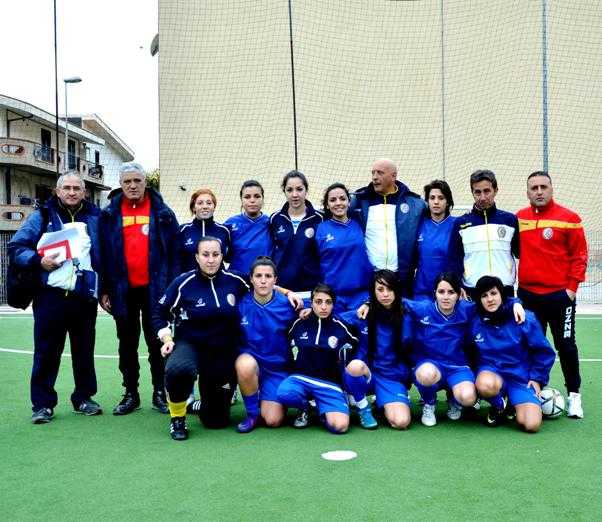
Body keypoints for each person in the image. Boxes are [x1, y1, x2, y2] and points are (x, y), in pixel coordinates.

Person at [8, 172, 102, 423]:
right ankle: (42, 404)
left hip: (84, 297)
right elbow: (16, 248)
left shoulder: (96, 217)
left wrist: (106, 290)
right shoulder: (41, 216)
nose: (72, 192)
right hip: (50, 297)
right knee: (46, 352)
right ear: (57, 191)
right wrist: (39, 261)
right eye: (67, 188)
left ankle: (84, 398)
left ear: (84, 192)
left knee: (84, 351)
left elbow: (107, 255)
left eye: (77, 188)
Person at [99, 162, 179, 416]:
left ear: (146, 182)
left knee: (157, 341)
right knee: (127, 343)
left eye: (137, 181)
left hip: (156, 290)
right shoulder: (109, 215)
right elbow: (101, 255)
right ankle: (130, 393)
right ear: (121, 185)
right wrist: (104, 289)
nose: (132, 186)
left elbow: (174, 253)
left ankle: (159, 392)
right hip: (122, 291)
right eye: (127, 182)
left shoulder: (164, 213)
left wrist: (173, 289)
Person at [155, 237, 250, 440]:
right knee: (178, 369)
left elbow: (263, 285)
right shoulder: (183, 283)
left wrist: (286, 293)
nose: (210, 260)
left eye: (215, 255)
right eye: (205, 255)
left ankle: (196, 404)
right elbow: (159, 313)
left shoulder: (237, 280)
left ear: (222, 256)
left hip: (222, 353)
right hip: (190, 344)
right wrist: (167, 339)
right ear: (197, 257)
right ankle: (178, 418)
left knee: (216, 421)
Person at [516, 171, 588, 418]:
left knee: (566, 346)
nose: (539, 191)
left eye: (543, 187)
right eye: (533, 188)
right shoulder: (520, 219)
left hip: (560, 297)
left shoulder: (570, 218)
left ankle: (574, 396)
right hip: (528, 296)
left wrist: (571, 289)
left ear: (551, 189)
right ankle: (530, 394)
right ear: (527, 192)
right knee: (529, 346)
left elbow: (580, 257)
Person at [277, 284, 375, 434]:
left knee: (340, 426)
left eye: (328, 302)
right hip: (300, 379)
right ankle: (305, 407)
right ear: (311, 303)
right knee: (283, 392)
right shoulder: (298, 322)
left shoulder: (342, 327)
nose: (323, 306)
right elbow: (268, 288)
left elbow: (358, 343)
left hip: (330, 385)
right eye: (318, 302)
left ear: (333, 305)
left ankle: (323, 408)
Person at [471, 276, 556, 432]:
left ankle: (511, 403)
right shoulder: (474, 319)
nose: (490, 299)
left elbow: (544, 352)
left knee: (532, 425)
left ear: (501, 295)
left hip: (520, 377)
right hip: (492, 373)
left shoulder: (523, 317)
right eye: (484, 295)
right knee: (485, 384)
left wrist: (537, 378)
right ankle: (498, 406)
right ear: (479, 299)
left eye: (493, 293)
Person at [403, 273, 478, 426]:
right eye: (441, 291)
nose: (446, 297)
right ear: (435, 293)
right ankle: (429, 404)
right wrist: (367, 302)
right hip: (430, 365)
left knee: (468, 398)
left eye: (451, 292)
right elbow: (392, 300)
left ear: (459, 294)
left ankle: (454, 400)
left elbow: (495, 302)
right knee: (425, 374)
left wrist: (515, 303)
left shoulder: (467, 309)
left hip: (457, 366)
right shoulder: (423, 308)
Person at [235, 257, 298, 433]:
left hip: (277, 369)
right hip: (251, 365)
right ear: (251, 279)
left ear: (275, 280)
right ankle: (252, 414)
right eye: (259, 276)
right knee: (244, 364)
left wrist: (304, 309)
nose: (263, 280)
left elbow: (318, 308)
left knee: (273, 420)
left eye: (268, 276)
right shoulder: (241, 304)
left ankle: (270, 398)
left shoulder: (289, 305)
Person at [342, 270, 411, 429]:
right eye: (380, 290)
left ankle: (382, 403)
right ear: (373, 292)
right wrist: (310, 310)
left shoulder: (408, 313)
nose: (385, 294)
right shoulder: (363, 313)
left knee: (400, 422)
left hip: (391, 377)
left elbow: (432, 306)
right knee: (354, 366)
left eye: (390, 289)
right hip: (368, 373)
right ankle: (363, 407)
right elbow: (331, 316)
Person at [349, 158, 425, 295]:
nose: (375, 177)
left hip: (401, 277)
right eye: (373, 173)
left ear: (393, 176)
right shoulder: (359, 201)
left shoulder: (415, 204)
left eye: (380, 173)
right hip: (370, 277)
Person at [451, 169, 519, 299]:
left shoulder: (510, 220)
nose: (482, 197)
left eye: (487, 191)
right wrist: (457, 285)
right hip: (472, 290)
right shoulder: (460, 223)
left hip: (504, 289)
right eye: (477, 192)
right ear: (472, 193)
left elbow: (521, 253)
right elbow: (454, 259)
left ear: (496, 190)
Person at [315, 183, 373, 314]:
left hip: (361, 296)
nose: (338, 203)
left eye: (342, 198)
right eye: (333, 200)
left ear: (349, 201)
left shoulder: (359, 224)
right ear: (327, 205)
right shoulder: (321, 229)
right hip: (334, 297)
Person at [270, 170, 323, 299]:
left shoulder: (320, 219)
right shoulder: (275, 219)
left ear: (306, 190)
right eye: (289, 190)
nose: (295, 194)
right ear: (284, 192)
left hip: (312, 292)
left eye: (299, 189)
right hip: (283, 292)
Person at [414, 180, 460, 300]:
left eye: (441, 198)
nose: (436, 202)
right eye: (432, 198)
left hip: (448, 293)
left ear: (448, 201)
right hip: (422, 292)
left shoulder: (457, 225)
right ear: (427, 201)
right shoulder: (419, 225)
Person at [225, 180, 273, 275]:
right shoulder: (230, 224)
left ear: (263, 199)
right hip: (238, 280)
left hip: (264, 281)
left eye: (257, 196)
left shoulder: (271, 223)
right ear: (241, 200)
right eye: (247, 197)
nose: (252, 200)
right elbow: (224, 255)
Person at [178, 188, 231, 273]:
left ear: (214, 207)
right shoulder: (183, 230)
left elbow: (228, 258)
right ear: (193, 207)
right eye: (200, 203)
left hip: (216, 284)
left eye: (209, 203)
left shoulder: (224, 231)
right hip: (190, 283)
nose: (205, 206)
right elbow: (175, 260)